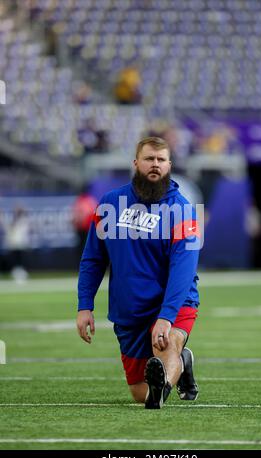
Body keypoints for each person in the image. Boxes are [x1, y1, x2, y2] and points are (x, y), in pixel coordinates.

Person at [77, 137, 200, 409]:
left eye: (161, 160)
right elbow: (93, 259)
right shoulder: (110, 204)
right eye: (148, 159)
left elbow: (183, 270)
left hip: (173, 302)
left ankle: (164, 384)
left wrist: (166, 317)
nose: (155, 165)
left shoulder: (184, 211)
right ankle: (181, 363)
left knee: (165, 346)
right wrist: (85, 305)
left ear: (170, 165)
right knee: (138, 392)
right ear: (136, 163)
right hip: (129, 308)